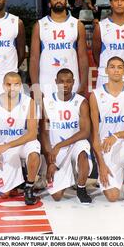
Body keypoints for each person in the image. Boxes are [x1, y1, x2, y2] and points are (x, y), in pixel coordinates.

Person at [90, 56, 124, 206]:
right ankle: (116, 180)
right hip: (105, 146)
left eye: (120, 67)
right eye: (113, 67)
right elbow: (94, 134)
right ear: (106, 70)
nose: (116, 70)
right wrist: (101, 164)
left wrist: (116, 136)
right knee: (113, 196)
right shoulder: (95, 95)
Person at [0, 72, 41, 205]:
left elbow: (32, 133)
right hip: (2, 147)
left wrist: (9, 145)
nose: (12, 88)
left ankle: (29, 186)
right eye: (8, 84)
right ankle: (14, 182)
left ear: (21, 86)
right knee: (5, 194)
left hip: (22, 143)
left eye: (16, 84)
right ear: (3, 86)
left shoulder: (29, 102)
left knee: (34, 149)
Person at [40, 68, 92, 203]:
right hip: (56, 150)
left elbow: (85, 132)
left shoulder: (81, 102)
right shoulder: (47, 102)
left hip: (74, 144)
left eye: (69, 81)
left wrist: (61, 144)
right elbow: (44, 133)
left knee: (83, 149)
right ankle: (68, 175)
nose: (65, 85)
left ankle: (81, 187)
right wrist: (50, 161)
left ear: (73, 82)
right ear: (56, 82)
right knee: (56, 196)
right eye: (61, 81)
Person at [30, 0, 89, 99]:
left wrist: (83, 84)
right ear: (49, 3)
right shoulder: (40, 25)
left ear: (66, 2)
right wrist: (35, 86)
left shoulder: (77, 24)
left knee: (73, 115)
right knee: (47, 115)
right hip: (47, 80)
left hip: (71, 81)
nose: (58, 0)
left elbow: (83, 57)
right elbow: (34, 58)